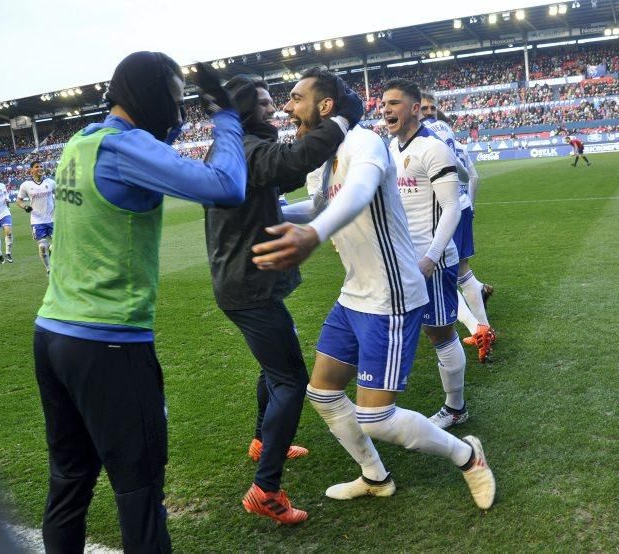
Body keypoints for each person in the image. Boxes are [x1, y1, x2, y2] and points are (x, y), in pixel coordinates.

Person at [33, 52, 251, 553]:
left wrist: (187, 123)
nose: (177, 116)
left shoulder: (82, 142)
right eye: (173, 102)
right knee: (139, 493)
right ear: (150, 95)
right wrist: (225, 118)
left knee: (69, 482)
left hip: (53, 334)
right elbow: (227, 186)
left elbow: (155, 148)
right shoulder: (123, 149)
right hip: (108, 344)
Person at [251, 68, 495, 510]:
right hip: (354, 293)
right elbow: (323, 204)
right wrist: (276, 216)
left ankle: (467, 455)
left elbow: (359, 192)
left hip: (391, 295)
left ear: (324, 106)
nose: (286, 107)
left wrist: (315, 233)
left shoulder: (362, 142)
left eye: (294, 97)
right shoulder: (320, 159)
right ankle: (375, 476)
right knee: (322, 393)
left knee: (376, 417)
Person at [204, 75, 363, 524]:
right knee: (291, 380)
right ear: (241, 111)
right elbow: (297, 157)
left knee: (274, 366)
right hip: (248, 289)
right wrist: (344, 118)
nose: (274, 107)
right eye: (263, 102)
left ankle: (261, 439)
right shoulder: (243, 149)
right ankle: (265, 488)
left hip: (248, 285)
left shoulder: (244, 147)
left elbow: (289, 168)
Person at [385, 81, 469, 429]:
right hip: (402, 258)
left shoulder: (432, 149)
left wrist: (432, 257)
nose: (386, 109)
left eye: (395, 104)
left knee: (440, 333)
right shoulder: (390, 146)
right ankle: (381, 402)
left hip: (431, 260)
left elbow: (452, 208)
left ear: (416, 109)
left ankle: (455, 408)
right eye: (384, 103)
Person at [420, 94, 495, 363]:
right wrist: (470, 205)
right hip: (460, 208)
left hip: (442, 212)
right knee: (461, 271)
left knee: (444, 276)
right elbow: (470, 175)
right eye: (425, 108)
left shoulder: (426, 141)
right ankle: (482, 322)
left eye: (431, 108)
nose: (428, 112)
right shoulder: (454, 141)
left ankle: (477, 329)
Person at [16, 160, 56, 275]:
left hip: (52, 219)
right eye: (37, 167)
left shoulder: (51, 182)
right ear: (31, 170)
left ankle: (51, 248)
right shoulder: (26, 185)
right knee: (42, 246)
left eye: (41, 166)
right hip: (37, 220)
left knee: (58, 244)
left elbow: (59, 196)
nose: (40, 168)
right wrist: (24, 206)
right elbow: (19, 201)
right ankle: (49, 269)